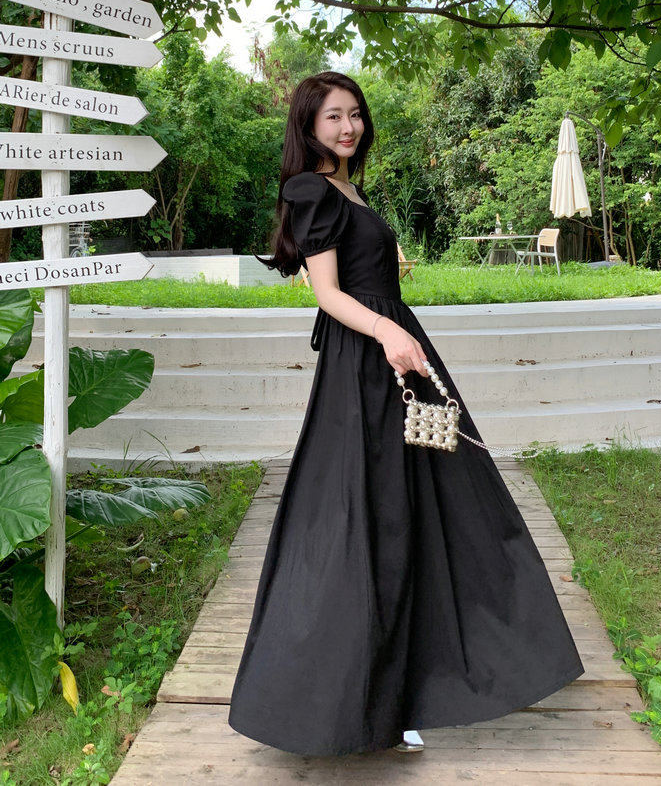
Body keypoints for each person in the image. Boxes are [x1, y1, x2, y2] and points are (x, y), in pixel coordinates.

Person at [227, 70, 584, 757]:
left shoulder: (349, 190)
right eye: (333, 116)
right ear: (308, 125)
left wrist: (389, 284)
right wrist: (388, 330)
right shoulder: (311, 190)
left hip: (391, 357)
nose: (348, 127)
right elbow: (326, 293)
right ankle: (359, 699)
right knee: (371, 517)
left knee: (436, 508)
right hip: (367, 367)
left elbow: (357, 274)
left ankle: (425, 680)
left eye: (355, 114)